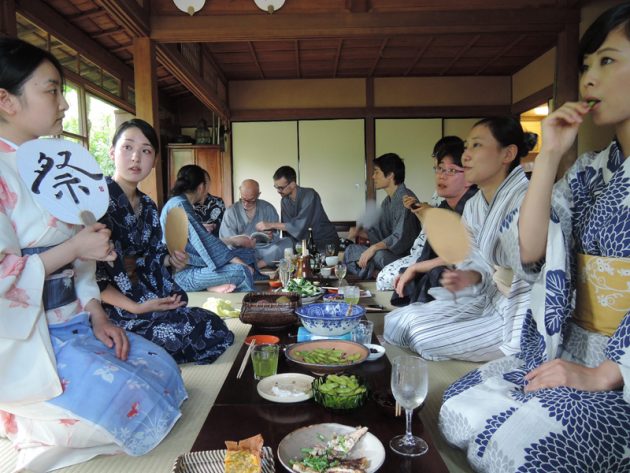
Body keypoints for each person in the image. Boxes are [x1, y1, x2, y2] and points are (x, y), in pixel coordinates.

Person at [439, 4, 630, 470]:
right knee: (457, 406)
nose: (588, 79)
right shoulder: (591, 170)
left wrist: (607, 372)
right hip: (568, 344)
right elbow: (531, 250)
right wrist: (548, 156)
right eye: (585, 65)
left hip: (620, 366)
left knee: (526, 450)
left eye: (607, 61)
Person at [0, 38, 186, 472]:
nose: (64, 105)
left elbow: (84, 263)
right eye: (51, 90)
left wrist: (98, 315)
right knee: (132, 404)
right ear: (5, 100)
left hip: (79, 320)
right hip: (30, 338)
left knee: (164, 373)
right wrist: (74, 248)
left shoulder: (53, 166)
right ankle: (24, 421)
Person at [384, 116, 534, 361]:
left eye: (477, 146)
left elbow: (538, 274)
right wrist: (468, 275)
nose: (466, 156)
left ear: (507, 154)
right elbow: (475, 261)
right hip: (489, 296)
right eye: (467, 146)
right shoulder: (476, 204)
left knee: (422, 335)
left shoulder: (528, 199)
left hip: (518, 310)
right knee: (398, 320)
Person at [97, 119, 235, 364]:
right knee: (183, 333)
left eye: (146, 151)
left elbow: (154, 254)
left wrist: (170, 259)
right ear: (112, 152)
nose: (136, 158)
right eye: (127, 147)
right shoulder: (96, 202)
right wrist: (137, 307)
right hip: (116, 306)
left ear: (154, 160)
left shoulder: (149, 206)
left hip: (148, 293)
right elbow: (90, 278)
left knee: (211, 322)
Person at [378, 139, 478, 304]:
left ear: (470, 176)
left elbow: (466, 255)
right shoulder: (445, 204)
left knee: (436, 273)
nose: (441, 175)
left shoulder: (475, 205)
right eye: (439, 168)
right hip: (441, 262)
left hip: (470, 279)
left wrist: (416, 267)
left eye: (451, 170)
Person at [161, 164, 256, 292]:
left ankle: (211, 286)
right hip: (182, 276)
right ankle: (211, 287)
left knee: (248, 254)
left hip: (194, 264)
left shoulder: (178, 202)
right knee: (242, 271)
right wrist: (242, 264)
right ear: (201, 187)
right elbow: (205, 241)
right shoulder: (180, 205)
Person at [344, 153, 421, 279]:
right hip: (389, 254)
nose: (373, 177)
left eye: (377, 172)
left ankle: (375, 274)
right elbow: (381, 233)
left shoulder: (406, 199)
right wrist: (360, 232)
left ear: (390, 175)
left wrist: (373, 248)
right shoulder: (387, 201)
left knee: (378, 255)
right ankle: (376, 273)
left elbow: (400, 238)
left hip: (405, 258)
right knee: (351, 250)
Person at [255, 165, 338, 252]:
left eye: (281, 188)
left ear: (293, 184)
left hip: (324, 241)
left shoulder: (310, 195)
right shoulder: (284, 201)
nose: (278, 191)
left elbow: (298, 226)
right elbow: (288, 229)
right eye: (276, 187)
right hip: (302, 244)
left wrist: (271, 224)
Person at [219, 178, 293, 268]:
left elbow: (275, 237)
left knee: (287, 243)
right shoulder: (231, 211)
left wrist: (271, 236)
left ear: (258, 195)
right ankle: (251, 264)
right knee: (227, 253)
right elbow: (226, 240)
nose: (246, 204)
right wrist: (241, 241)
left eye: (251, 200)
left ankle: (257, 266)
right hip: (241, 252)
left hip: (263, 250)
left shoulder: (267, 208)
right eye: (243, 199)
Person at [193, 169, 225, 237]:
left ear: (209, 183)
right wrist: (201, 227)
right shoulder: (188, 203)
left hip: (216, 242)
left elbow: (224, 226)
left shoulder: (218, 202)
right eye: (200, 183)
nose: (203, 187)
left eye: (205, 182)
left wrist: (214, 227)